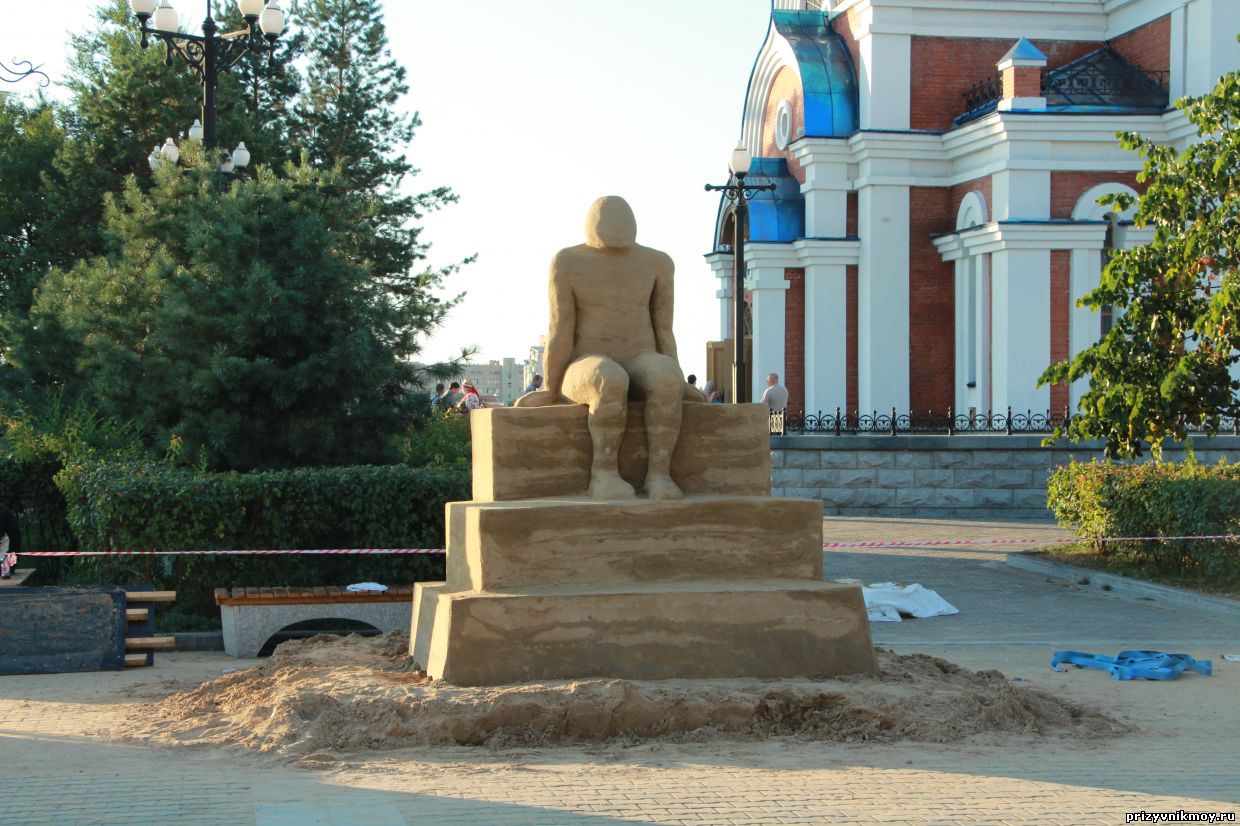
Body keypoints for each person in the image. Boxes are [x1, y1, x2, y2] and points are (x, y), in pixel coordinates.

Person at [515, 196, 693, 500]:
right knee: (607, 378)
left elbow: (663, 328)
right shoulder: (568, 261)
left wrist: (679, 380)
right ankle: (604, 473)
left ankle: (660, 475)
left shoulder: (658, 263)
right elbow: (560, 329)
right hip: (585, 361)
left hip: (639, 354)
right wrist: (550, 387)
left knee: (665, 377)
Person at [1, 502, 20, 580]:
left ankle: (6, 570)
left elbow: (1, 534)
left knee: (6, 571)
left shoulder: (1, 511)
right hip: (9, 547)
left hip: (8, 546)